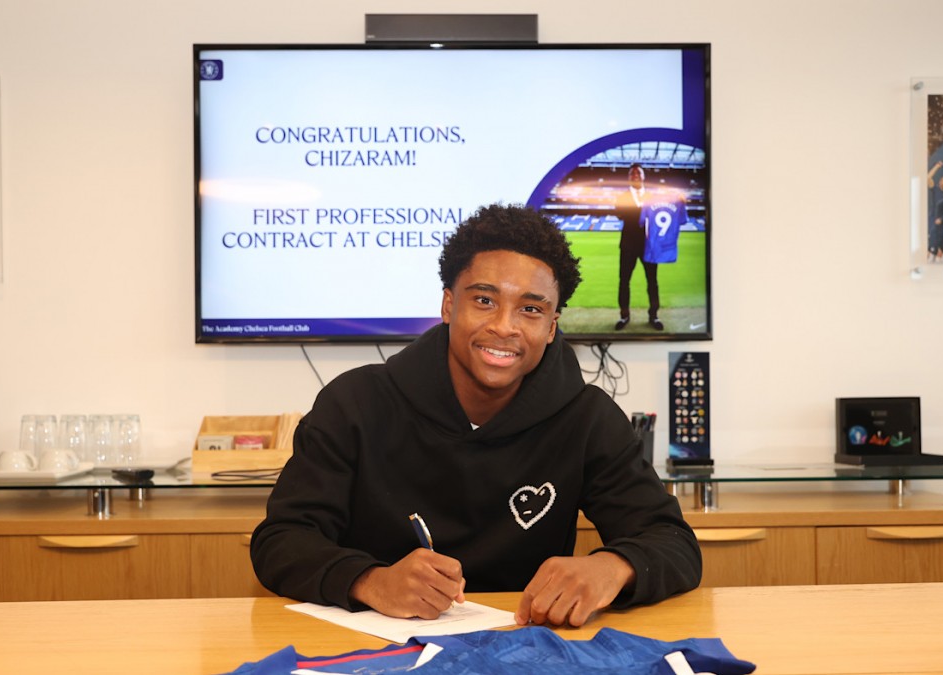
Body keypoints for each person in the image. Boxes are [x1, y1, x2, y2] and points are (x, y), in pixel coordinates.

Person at [251, 204, 701, 628]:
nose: (504, 326)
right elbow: (282, 540)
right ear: (448, 306)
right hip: (377, 647)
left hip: (523, 646)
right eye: (484, 300)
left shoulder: (588, 418)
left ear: (551, 327)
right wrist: (369, 581)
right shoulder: (354, 402)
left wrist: (612, 567)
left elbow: (674, 542)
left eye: (531, 309)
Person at [614, 164, 663, 331]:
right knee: (624, 281)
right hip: (628, 245)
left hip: (649, 246)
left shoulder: (653, 197)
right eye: (632, 173)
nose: (635, 174)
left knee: (652, 282)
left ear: (643, 177)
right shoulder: (622, 197)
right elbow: (620, 213)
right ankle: (624, 316)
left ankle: (654, 316)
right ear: (629, 178)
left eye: (638, 172)